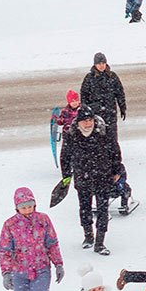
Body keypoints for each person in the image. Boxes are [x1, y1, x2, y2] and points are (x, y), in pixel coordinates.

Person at [59, 109, 123, 255]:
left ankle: (100, 242)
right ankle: (88, 236)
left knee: (102, 209)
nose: (88, 124)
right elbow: (65, 157)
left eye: (90, 120)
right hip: (83, 177)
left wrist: (116, 170)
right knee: (85, 208)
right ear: (78, 122)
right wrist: (66, 176)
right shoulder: (71, 135)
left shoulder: (104, 132)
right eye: (85, 121)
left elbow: (115, 152)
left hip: (102, 176)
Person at [80, 52, 127, 144]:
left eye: (103, 63)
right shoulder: (89, 78)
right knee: (98, 136)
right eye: (99, 63)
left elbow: (120, 93)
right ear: (95, 65)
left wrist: (123, 107)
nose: (101, 66)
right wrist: (86, 110)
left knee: (112, 136)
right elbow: (84, 95)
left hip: (110, 111)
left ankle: (113, 156)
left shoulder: (112, 76)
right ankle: (101, 156)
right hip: (96, 112)